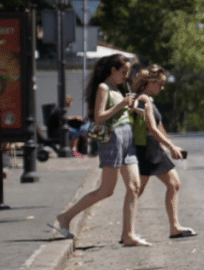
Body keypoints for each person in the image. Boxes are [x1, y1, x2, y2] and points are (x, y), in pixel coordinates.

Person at [50, 54, 148, 247]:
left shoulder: (117, 88)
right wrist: (121, 105)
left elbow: (119, 113)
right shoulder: (104, 88)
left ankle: (128, 234)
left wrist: (133, 109)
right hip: (113, 139)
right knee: (106, 190)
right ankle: (65, 217)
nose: (126, 76)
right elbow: (99, 117)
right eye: (124, 72)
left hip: (127, 136)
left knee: (134, 187)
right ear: (113, 70)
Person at [129, 65, 195, 239]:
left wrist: (169, 144)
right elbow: (151, 127)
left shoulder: (148, 99)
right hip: (147, 149)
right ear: (150, 82)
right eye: (160, 84)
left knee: (172, 184)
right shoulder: (144, 99)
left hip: (152, 148)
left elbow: (158, 125)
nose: (163, 88)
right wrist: (171, 147)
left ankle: (174, 227)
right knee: (136, 191)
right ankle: (127, 231)